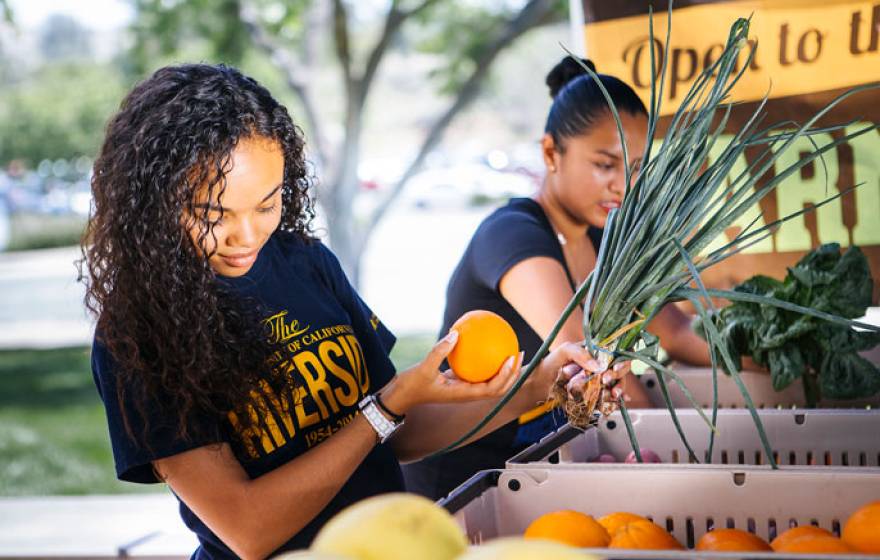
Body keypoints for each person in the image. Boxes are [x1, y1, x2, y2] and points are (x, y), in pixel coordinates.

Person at [80, 63, 618, 560]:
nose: (246, 235)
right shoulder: (138, 332)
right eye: (212, 214)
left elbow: (399, 436)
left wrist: (537, 384)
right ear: (155, 199)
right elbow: (248, 529)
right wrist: (386, 406)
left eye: (267, 204)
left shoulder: (305, 262)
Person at [402, 57, 714, 500]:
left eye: (635, 168)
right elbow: (587, 360)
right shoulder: (513, 235)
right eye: (605, 165)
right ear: (551, 153)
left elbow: (677, 332)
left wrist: (758, 357)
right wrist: (667, 460)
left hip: (539, 462)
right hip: (467, 480)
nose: (623, 185)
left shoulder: (604, 238)